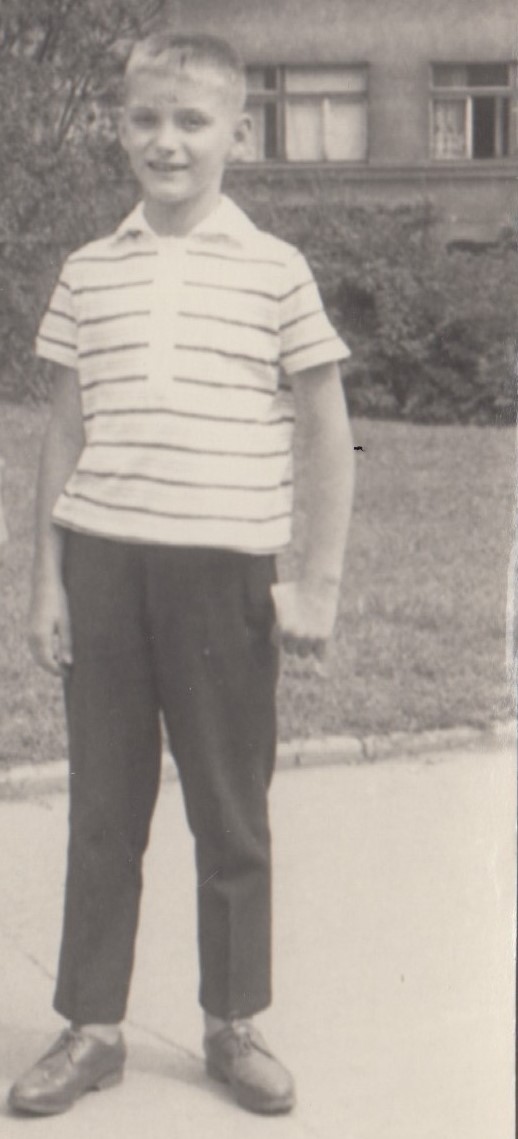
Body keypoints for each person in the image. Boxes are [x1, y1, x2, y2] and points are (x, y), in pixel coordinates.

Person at [8, 31, 355, 1118]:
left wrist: (318, 583)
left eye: (191, 121)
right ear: (119, 129)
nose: (167, 141)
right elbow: (64, 435)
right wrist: (47, 581)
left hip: (223, 577)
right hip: (107, 568)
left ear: (236, 135)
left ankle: (231, 1020)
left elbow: (328, 431)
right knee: (103, 810)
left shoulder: (275, 270)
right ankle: (92, 1025)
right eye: (146, 119)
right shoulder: (89, 269)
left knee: (229, 811)